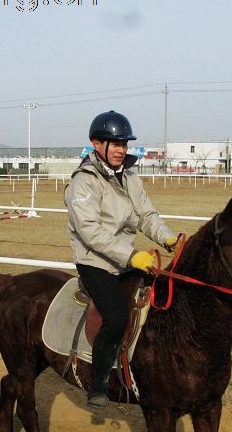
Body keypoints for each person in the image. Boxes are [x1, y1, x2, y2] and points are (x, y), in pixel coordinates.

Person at [65, 110, 178, 408]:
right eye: (114, 143)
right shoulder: (83, 182)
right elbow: (90, 232)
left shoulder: (129, 175)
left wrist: (167, 238)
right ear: (96, 144)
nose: (121, 149)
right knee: (116, 317)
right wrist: (131, 255)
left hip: (126, 259)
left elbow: (146, 215)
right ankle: (98, 383)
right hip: (95, 261)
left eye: (124, 144)